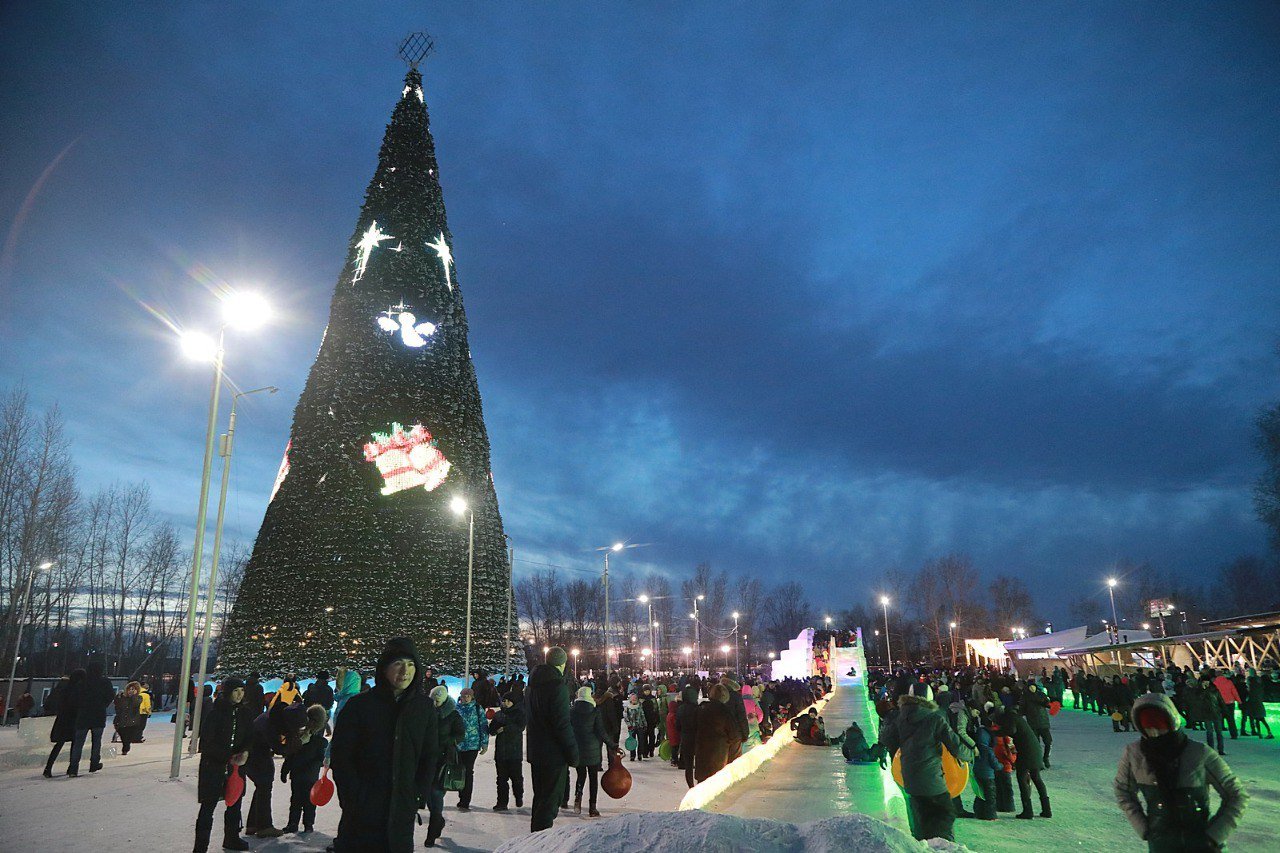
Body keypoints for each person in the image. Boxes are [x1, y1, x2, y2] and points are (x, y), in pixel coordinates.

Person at [329, 637, 439, 852]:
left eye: (411, 664)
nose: (404, 671)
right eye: (398, 663)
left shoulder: (424, 708)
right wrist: (354, 796)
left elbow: (429, 755)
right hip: (362, 811)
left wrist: (417, 793)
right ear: (384, 668)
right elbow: (342, 756)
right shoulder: (359, 706)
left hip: (401, 809)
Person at [1115, 692, 1248, 852]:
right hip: (1161, 844)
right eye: (1149, 729)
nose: (1155, 734)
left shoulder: (1198, 753)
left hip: (1202, 843)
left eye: (1160, 727)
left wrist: (1215, 835)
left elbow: (1236, 794)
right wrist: (1144, 828)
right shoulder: (1135, 754)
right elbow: (1123, 791)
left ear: (1172, 723)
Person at [877, 682, 975, 842]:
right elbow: (956, 747)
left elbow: (886, 737)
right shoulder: (935, 719)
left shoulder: (900, 718)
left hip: (909, 780)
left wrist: (894, 754)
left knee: (921, 823)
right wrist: (971, 754)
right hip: (932, 780)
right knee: (944, 819)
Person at [194, 677, 253, 853]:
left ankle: (232, 838)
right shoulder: (215, 712)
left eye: (242, 691)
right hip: (214, 766)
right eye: (236, 691)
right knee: (208, 806)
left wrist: (245, 752)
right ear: (228, 692)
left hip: (236, 767)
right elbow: (206, 742)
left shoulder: (245, 713)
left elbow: (250, 737)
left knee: (234, 803)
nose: (240, 695)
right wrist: (227, 756)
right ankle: (200, 846)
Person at [525, 646, 578, 833]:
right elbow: (562, 724)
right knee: (549, 803)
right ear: (562, 664)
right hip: (553, 754)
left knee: (540, 799)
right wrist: (572, 753)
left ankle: (534, 840)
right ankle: (540, 843)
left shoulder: (532, 685)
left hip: (536, 751)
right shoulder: (557, 686)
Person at [570, 686, 619, 817]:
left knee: (580, 776)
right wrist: (612, 744)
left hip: (577, 749)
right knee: (593, 779)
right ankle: (592, 807)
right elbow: (601, 731)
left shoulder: (572, 711)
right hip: (593, 750)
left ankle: (578, 797)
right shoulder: (595, 711)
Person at [424, 685, 464, 847]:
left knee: (436, 794)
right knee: (427, 794)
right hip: (427, 759)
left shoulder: (453, 714)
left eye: (438, 700)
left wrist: (447, 742)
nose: (435, 702)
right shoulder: (426, 712)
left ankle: (432, 833)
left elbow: (460, 734)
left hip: (443, 760)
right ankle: (438, 820)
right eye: (433, 699)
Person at [280, 704, 328, 833]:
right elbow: (291, 755)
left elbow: (320, 760)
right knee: (301, 800)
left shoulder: (318, 741)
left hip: (306, 775)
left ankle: (304, 824)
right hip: (304, 774)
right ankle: (299, 824)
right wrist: (285, 770)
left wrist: (286, 769)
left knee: (305, 801)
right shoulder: (303, 738)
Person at [1000, 707, 1051, 820]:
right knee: (1037, 778)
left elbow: (1011, 731)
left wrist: (996, 732)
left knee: (1022, 780)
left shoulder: (1011, 718)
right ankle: (1047, 810)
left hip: (1026, 754)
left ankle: (1027, 811)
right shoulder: (1019, 719)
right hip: (1036, 751)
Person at [68, 658, 115, 776]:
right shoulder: (105, 682)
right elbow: (110, 695)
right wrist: (102, 705)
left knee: (78, 743)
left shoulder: (82, 683)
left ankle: (73, 767)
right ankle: (94, 763)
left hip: (83, 715)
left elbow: (74, 699)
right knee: (97, 741)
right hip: (98, 715)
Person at [490, 684, 526, 811]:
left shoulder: (519, 714)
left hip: (514, 752)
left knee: (516, 778)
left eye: (508, 701)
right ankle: (502, 802)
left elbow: (520, 727)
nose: (505, 703)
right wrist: (494, 729)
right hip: (501, 752)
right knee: (501, 779)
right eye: (504, 700)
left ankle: (518, 796)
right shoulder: (499, 714)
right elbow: (492, 729)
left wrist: (505, 728)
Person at [454, 687, 490, 811]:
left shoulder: (477, 708)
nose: (465, 698)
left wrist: (484, 743)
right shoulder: (456, 709)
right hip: (458, 745)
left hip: (472, 745)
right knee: (460, 770)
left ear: (472, 697)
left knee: (468, 771)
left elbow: (483, 726)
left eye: (467, 696)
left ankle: (465, 800)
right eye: (463, 696)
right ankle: (461, 795)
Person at [694, 683, 738, 782]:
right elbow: (734, 734)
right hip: (719, 753)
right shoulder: (725, 711)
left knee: (702, 785)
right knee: (716, 784)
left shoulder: (701, 709)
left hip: (702, 752)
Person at [44, 672, 78, 778]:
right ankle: (72, 768)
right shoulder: (75, 689)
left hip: (62, 719)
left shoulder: (60, 689)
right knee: (75, 744)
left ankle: (48, 768)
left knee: (59, 744)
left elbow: (50, 703)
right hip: (73, 720)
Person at [1020, 682, 1053, 768]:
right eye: (1030, 687)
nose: (1032, 688)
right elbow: (1021, 710)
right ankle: (1038, 762)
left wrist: (1050, 704)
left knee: (1048, 742)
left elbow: (1048, 704)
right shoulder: (1025, 697)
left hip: (1044, 723)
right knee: (1036, 744)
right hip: (1032, 724)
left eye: (1033, 686)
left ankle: (1046, 758)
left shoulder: (1041, 695)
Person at [677, 684, 700, 788]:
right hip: (698, 738)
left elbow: (678, 725)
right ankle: (700, 784)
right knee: (699, 762)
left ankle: (691, 786)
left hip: (686, 738)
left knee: (689, 765)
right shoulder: (698, 709)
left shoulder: (681, 709)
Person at [113, 681, 145, 755]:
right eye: (129, 689)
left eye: (133, 689)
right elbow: (117, 704)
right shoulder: (122, 697)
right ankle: (126, 746)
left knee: (128, 737)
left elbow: (136, 704)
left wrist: (133, 696)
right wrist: (118, 696)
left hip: (132, 721)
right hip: (121, 721)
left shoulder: (139, 697)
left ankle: (126, 748)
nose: (130, 691)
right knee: (123, 736)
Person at [624, 693, 646, 761]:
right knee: (632, 741)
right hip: (631, 727)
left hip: (640, 726)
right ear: (630, 699)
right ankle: (632, 755)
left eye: (635, 699)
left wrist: (645, 724)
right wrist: (629, 725)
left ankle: (639, 754)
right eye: (632, 699)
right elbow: (626, 717)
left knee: (641, 741)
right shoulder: (627, 707)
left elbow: (642, 715)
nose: (634, 700)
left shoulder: (639, 706)